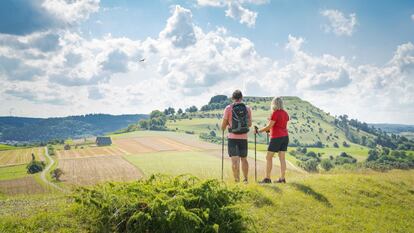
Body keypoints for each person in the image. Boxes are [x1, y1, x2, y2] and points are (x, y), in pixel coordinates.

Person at [255, 97, 289, 183]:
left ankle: (267, 178)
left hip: (276, 138)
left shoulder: (275, 113)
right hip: (285, 137)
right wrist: (270, 132)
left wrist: (258, 131)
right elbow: (280, 126)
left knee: (268, 157)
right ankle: (282, 179)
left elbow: (269, 126)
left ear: (274, 104)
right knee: (282, 158)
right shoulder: (285, 113)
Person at [221, 90, 252, 183]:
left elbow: (223, 125)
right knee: (244, 159)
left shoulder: (228, 108)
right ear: (241, 97)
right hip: (243, 138)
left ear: (233, 98)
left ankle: (237, 181)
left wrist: (224, 128)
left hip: (232, 138)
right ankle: (245, 180)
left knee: (234, 161)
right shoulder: (247, 108)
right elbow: (249, 124)